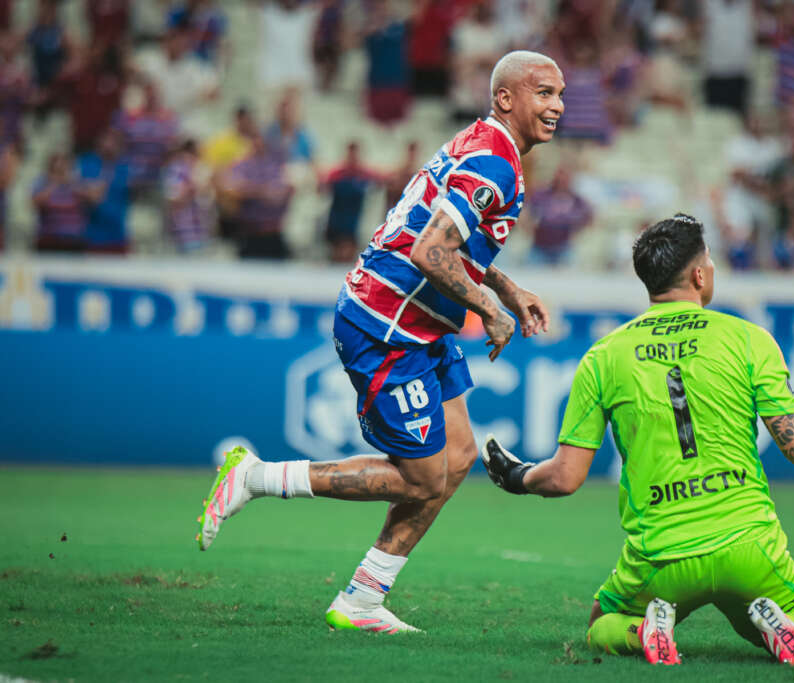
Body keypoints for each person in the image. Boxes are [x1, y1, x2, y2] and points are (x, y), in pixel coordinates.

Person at [196, 51, 565, 633]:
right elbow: (429, 252)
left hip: (420, 324)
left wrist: (508, 287)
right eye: (544, 93)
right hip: (386, 325)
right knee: (421, 477)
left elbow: (447, 238)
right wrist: (489, 309)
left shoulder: (487, 147)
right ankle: (256, 477)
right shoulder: (494, 161)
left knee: (459, 457)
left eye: (560, 94)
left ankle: (363, 599)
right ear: (506, 98)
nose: (558, 106)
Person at [481, 214, 794, 666]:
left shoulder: (604, 356)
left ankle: (644, 631)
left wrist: (519, 476)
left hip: (663, 556)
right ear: (700, 275)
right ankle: (778, 624)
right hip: (748, 546)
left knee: (603, 621)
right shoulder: (747, 339)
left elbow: (564, 478)